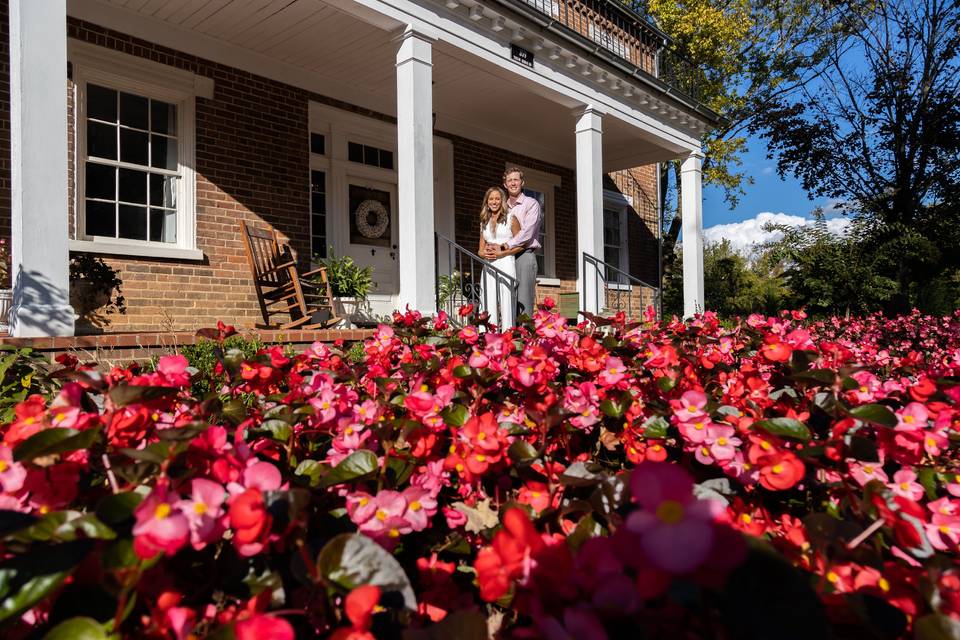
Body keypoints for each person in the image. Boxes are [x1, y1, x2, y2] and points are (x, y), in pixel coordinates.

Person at [485, 168, 541, 317]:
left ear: (522, 182)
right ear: (505, 184)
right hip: (503, 258)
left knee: (523, 303)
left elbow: (526, 233)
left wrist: (504, 247)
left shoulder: (531, 204)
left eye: (516, 180)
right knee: (506, 300)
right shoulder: (501, 206)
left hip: (523, 255)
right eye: (509, 180)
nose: (513, 183)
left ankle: (525, 338)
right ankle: (509, 337)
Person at [478, 186, 521, 327]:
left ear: (502, 200)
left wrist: (502, 252)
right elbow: (479, 250)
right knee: (487, 299)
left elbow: (521, 244)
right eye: (491, 199)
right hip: (489, 263)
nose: (494, 202)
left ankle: (508, 335)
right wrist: (484, 253)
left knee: (506, 299)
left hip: (506, 262)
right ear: (487, 202)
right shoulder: (484, 221)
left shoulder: (511, 218)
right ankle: (486, 334)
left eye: (497, 198)